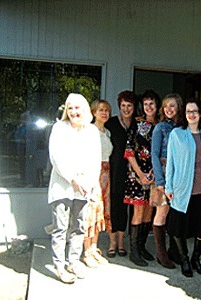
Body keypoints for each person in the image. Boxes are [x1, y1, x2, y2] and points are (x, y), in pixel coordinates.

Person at [47, 93, 101, 284]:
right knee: (60, 228)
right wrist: (72, 179)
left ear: (85, 109)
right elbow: (56, 157)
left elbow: (96, 161)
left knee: (78, 227)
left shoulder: (92, 131)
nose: (73, 112)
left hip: (84, 188)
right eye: (70, 108)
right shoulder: (59, 128)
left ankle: (73, 262)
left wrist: (91, 184)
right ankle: (60, 266)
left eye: (77, 108)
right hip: (62, 187)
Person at [165, 99, 201, 278]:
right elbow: (170, 161)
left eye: (195, 111)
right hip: (181, 188)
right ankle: (184, 259)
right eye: (188, 111)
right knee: (179, 227)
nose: (191, 114)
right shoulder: (177, 134)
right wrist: (168, 186)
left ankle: (196, 258)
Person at [124, 90, 160, 267]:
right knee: (138, 212)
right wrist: (140, 174)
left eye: (152, 103)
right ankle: (134, 251)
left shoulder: (162, 125)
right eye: (146, 104)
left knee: (149, 212)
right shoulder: (137, 124)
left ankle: (142, 246)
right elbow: (129, 151)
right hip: (137, 175)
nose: (149, 107)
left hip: (155, 174)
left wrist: (155, 172)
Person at [105, 91, 139, 258]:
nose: (126, 109)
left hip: (133, 174)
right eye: (123, 106)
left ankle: (121, 241)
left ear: (134, 107)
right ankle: (112, 241)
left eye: (129, 106)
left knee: (127, 209)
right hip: (114, 171)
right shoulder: (110, 123)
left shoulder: (138, 125)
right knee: (114, 207)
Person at [151, 93, 183, 269]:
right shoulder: (160, 128)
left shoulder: (184, 127)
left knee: (175, 213)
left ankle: (174, 251)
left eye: (172, 106)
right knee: (162, 212)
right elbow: (154, 155)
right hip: (163, 172)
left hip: (179, 174)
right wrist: (160, 181)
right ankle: (161, 253)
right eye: (166, 106)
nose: (169, 109)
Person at [82, 100, 113, 268]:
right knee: (90, 211)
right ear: (93, 112)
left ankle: (94, 248)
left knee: (101, 211)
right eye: (100, 110)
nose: (104, 113)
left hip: (106, 174)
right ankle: (86, 251)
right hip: (94, 172)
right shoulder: (89, 130)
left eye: (107, 110)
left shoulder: (107, 132)